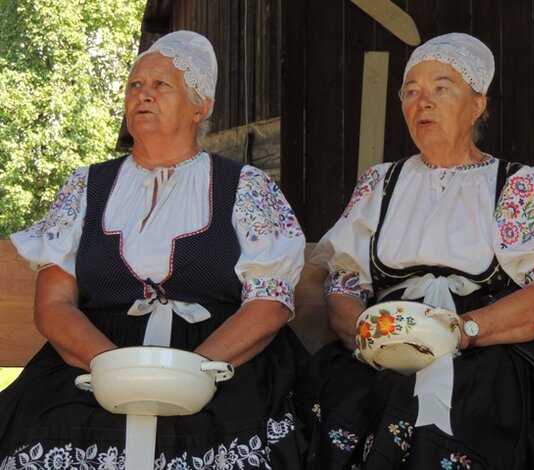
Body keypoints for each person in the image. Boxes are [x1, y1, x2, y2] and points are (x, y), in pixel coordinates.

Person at [294, 32, 534, 469]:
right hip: (385, 350)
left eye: (441, 87)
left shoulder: (520, 184)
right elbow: (343, 287)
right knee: (347, 402)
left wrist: (457, 332)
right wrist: (373, 338)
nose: (421, 101)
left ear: (477, 104)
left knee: (453, 408)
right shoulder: (380, 184)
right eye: (411, 92)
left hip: (484, 353)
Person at [0, 30, 309, 468]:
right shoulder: (86, 186)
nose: (143, 95)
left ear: (201, 107)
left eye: (160, 85)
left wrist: (192, 372)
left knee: (239, 441)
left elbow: (271, 301)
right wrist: (111, 367)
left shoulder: (244, 186)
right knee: (44, 433)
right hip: (98, 357)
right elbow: (54, 301)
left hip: (220, 359)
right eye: (135, 85)